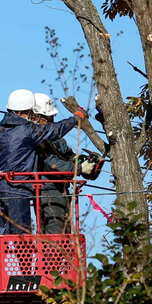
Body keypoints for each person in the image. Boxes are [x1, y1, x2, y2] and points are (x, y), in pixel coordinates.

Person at [0, 89, 86, 234]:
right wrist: (76, 118)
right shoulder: (28, 131)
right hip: (18, 190)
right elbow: (56, 130)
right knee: (20, 237)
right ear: (22, 113)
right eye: (29, 112)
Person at [31, 93, 100, 234]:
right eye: (49, 117)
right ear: (37, 117)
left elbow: (67, 154)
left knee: (65, 233)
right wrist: (79, 168)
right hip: (47, 193)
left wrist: (80, 160)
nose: (52, 120)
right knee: (55, 234)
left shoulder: (55, 138)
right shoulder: (35, 139)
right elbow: (53, 165)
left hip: (61, 190)